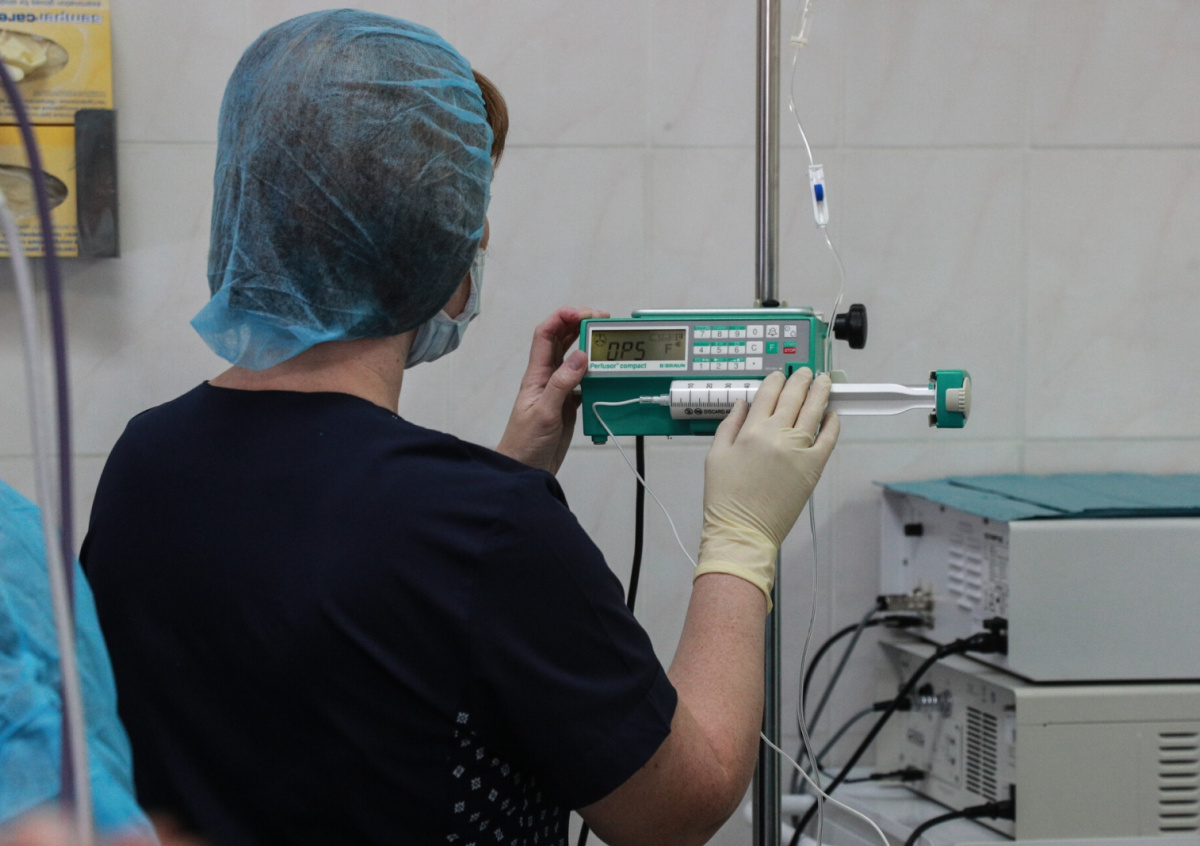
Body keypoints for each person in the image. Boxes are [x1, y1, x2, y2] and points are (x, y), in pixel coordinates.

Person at [81, 10, 838, 846]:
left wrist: (515, 467)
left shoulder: (146, 462)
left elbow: (347, 624)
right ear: (444, 254)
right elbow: (679, 806)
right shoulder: (488, 529)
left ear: (249, 210)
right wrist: (740, 540)